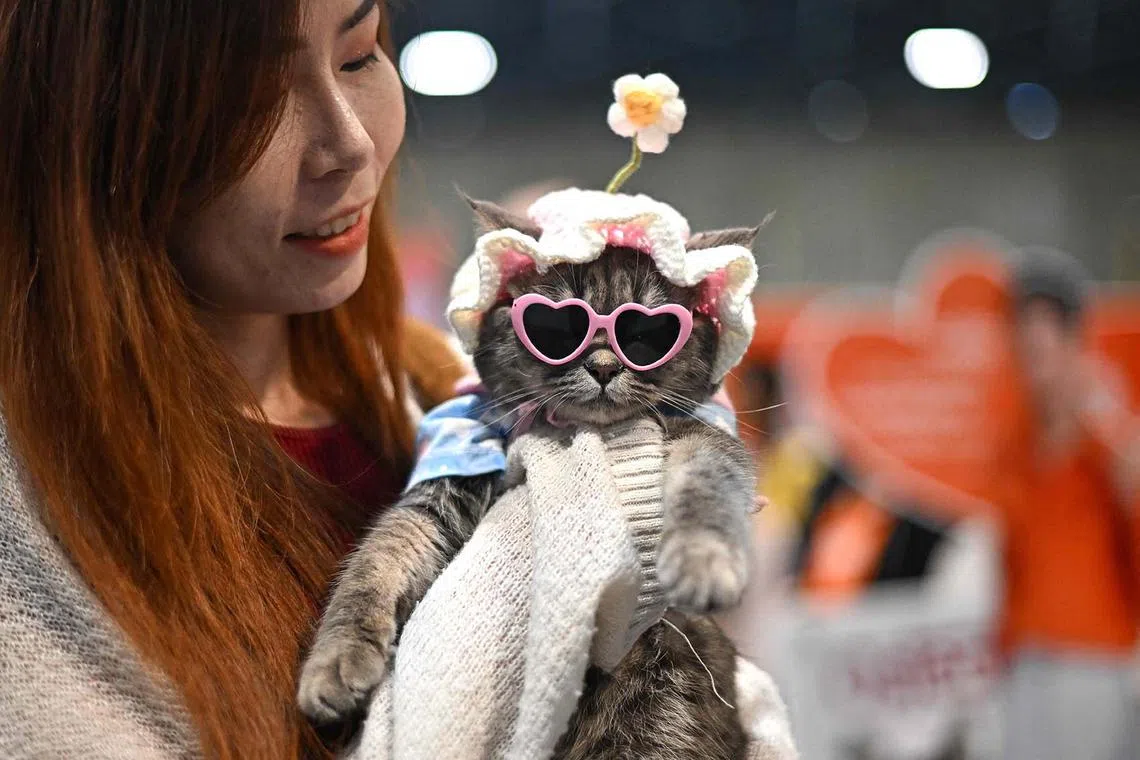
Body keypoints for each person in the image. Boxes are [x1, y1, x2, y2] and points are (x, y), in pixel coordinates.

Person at [0, 2, 739, 757]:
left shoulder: (431, 387)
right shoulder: (32, 528)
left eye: (358, 56)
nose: (350, 144)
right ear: (96, 136)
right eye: (253, 98)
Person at [997, 246, 1140, 760]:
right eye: (1022, 326)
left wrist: (1111, 431)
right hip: (1024, 661)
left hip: (1092, 661)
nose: (1030, 340)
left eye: (1046, 326)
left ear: (1074, 337)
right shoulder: (1016, 440)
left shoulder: (1110, 429)